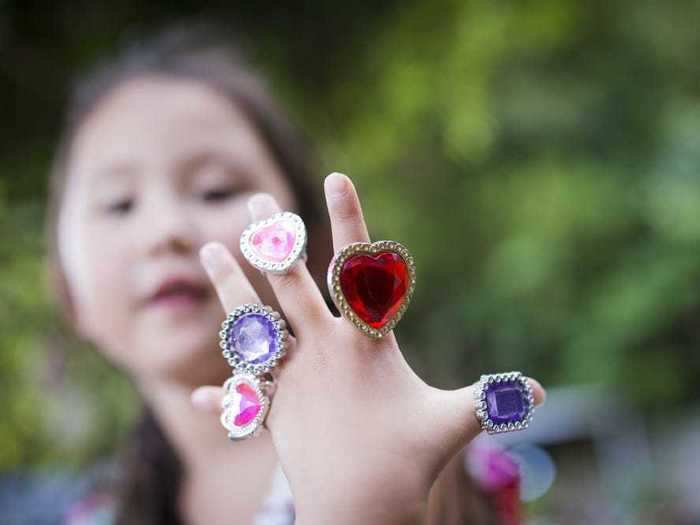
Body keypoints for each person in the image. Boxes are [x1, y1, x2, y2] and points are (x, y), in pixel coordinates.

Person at [43, 26, 545, 524]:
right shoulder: (96, 516)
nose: (166, 230)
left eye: (216, 190)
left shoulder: (420, 462)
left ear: (316, 243)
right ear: (67, 290)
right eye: (118, 203)